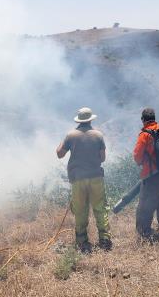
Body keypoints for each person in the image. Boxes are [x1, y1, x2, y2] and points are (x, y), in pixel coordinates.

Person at [56, 107, 112, 253]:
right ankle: (105, 240)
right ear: (91, 119)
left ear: (79, 120)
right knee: (100, 208)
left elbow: (60, 154)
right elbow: (103, 158)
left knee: (80, 210)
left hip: (78, 179)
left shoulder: (70, 135)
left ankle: (82, 242)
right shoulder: (98, 135)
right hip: (96, 177)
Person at [132, 107, 159, 240]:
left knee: (145, 205)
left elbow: (137, 156)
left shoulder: (145, 134)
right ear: (154, 118)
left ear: (143, 120)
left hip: (152, 175)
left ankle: (144, 234)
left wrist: (142, 162)